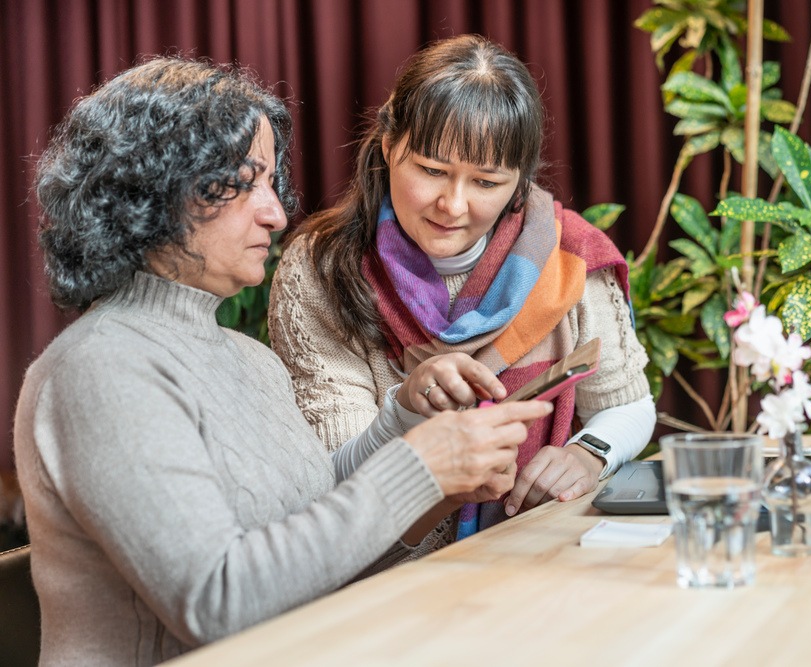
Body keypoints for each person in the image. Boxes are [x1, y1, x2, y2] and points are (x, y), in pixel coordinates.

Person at [13, 57, 552, 666]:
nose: (275, 212)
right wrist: (419, 468)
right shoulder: (100, 369)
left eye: (272, 182)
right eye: (244, 183)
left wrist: (429, 470)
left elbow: (312, 559)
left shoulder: (250, 359)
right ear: (153, 190)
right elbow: (218, 603)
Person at [269, 34, 656, 548]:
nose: (452, 205)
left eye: (486, 182)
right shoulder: (320, 269)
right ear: (389, 147)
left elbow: (629, 404)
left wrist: (587, 454)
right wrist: (406, 407)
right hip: (385, 579)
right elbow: (331, 477)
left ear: (519, 181)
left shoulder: (569, 259)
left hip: (537, 555)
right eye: (431, 171)